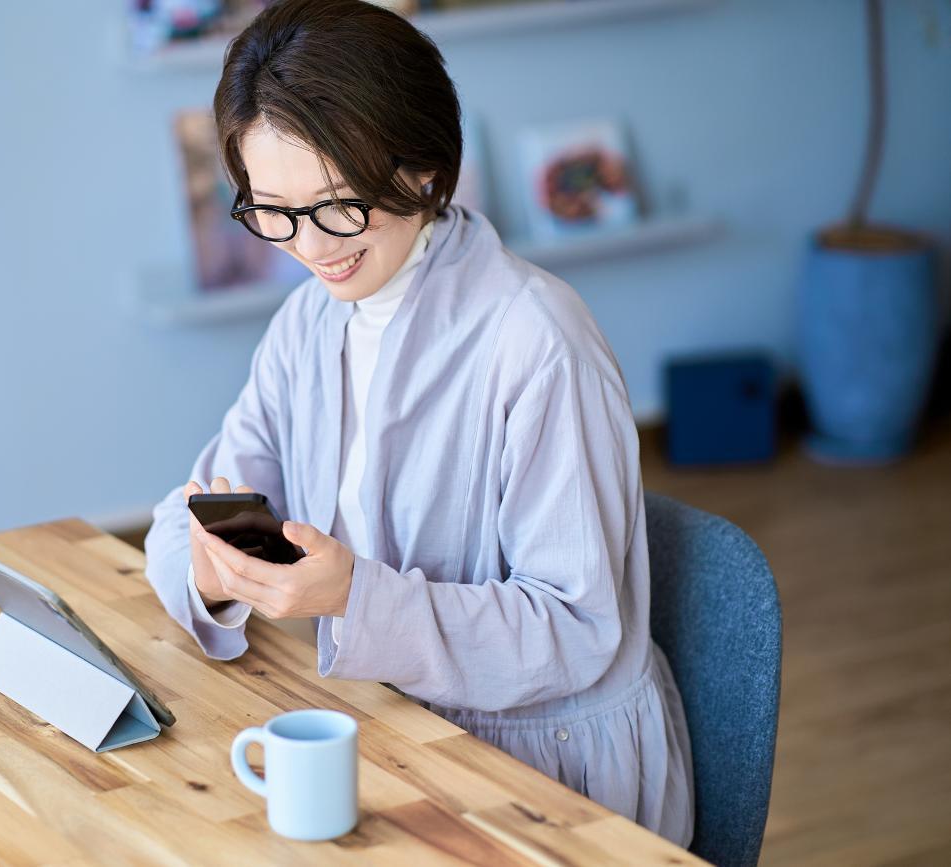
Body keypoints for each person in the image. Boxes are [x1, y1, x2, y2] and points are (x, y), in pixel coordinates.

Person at [144, 0, 694, 846]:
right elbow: (199, 505)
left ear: (427, 168)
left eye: (337, 205)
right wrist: (215, 573)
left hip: (546, 773)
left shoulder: (536, 341)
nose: (311, 247)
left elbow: (577, 631)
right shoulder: (309, 324)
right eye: (272, 212)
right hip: (393, 725)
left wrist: (357, 598)